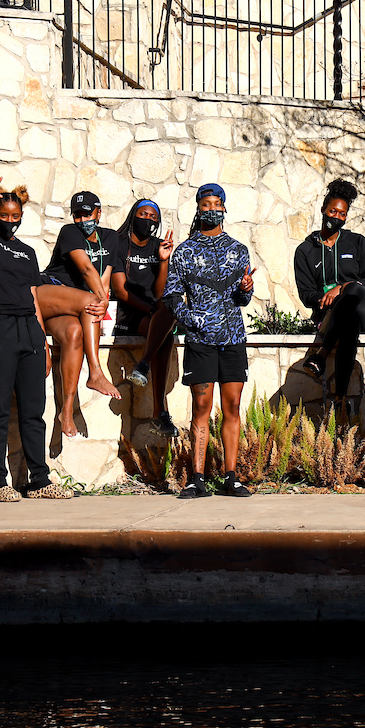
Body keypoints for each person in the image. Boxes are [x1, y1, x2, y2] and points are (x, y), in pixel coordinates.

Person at [0, 175, 73, 501]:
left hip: (28, 329)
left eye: (15, 216)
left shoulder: (27, 252)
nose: (10, 221)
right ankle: (0, 483)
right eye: (4, 215)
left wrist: (41, 341)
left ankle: (39, 481)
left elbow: (33, 295)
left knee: (33, 410)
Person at [162, 183, 255, 499]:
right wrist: (192, 321)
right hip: (200, 341)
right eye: (206, 204)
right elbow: (172, 295)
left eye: (217, 203)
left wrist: (245, 287)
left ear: (224, 209)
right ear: (199, 209)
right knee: (201, 407)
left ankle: (232, 477)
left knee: (232, 407)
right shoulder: (185, 252)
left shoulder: (238, 249)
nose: (211, 208)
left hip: (233, 339)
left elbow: (243, 299)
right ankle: (196, 479)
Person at [37, 190, 123, 437]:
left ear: (99, 212)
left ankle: (66, 412)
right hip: (49, 291)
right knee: (90, 301)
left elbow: (104, 277)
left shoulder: (110, 238)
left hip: (73, 307)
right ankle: (95, 372)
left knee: (74, 333)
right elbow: (86, 269)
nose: (83, 220)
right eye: (78, 215)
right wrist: (102, 300)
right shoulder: (69, 232)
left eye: (88, 214)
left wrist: (103, 298)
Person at [294, 179, 365, 402]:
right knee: (347, 319)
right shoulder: (305, 251)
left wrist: (342, 288)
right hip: (332, 316)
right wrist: (327, 298)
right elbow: (306, 295)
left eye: (342, 214)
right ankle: (340, 397)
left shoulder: (357, 243)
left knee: (352, 292)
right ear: (323, 209)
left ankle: (321, 354)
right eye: (333, 211)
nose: (337, 217)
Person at [112, 198, 179, 438]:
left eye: (153, 216)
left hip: (154, 313)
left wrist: (164, 260)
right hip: (128, 311)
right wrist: (152, 311)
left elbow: (160, 293)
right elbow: (120, 291)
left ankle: (143, 364)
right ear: (133, 215)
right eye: (143, 214)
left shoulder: (158, 245)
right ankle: (159, 412)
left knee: (170, 307)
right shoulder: (119, 244)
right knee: (165, 337)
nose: (148, 219)